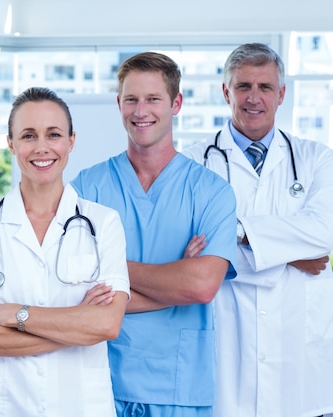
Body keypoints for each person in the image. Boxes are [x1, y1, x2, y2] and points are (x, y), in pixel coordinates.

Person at [0, 87, 130, 417]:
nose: (41, 147)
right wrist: (76, 328)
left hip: (82, 407)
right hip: (4, 407)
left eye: (54, 134)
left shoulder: (103, 223)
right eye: (28, 135)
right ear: (11, 143)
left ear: (71, 141)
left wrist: (17, 315)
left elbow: (106, 325)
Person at [71, 52, 237, 417]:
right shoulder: (87, 187)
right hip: (99, 384)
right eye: (131, 99)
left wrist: (111, 271)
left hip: (179, 388)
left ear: (176, 103)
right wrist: (175, 278)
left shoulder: (211, 192)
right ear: (118, 104)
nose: (140, 110)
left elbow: (201, 287)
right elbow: (71, 289)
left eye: (153, 99)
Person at [181, 43, 333, 417]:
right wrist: (289, 256)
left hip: (298, 360)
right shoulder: (191, 163)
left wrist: (229, 234)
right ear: (225, 91)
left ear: (281, 94)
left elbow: (324, 232)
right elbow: (187, 253)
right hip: (226, 355)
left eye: (265, 87)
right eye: (243, 86)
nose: (254, 98)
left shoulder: (317, 159)